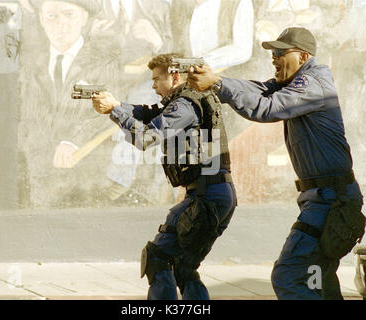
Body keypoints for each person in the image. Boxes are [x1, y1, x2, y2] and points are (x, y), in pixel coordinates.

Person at [188, 27, 364, 300]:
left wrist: (217, 84)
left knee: (290, 275)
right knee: (318, 278)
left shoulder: (312, 84)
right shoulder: (299, 81)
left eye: (281, 52)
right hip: (326, 198)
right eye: (273, 52)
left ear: (303, 56)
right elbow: (259, 89)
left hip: (331, 201)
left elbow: (267, 108)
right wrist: (215, 80)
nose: (274, 57)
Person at [92, 53, 237, 300]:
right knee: (183, 266)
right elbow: (147, 113)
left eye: (157, 79)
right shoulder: (185, 101)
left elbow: (146, 136)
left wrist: (116, 111)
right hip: (209, 195)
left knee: (158, 257)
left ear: (175, 76)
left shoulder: (184, 105)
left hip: (207, 197)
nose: (153, 85)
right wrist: (115, 105)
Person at [18, 0, 137, 208]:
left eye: (69, 15)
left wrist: (72, 141)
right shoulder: (30, 63)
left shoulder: (103, 62)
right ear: (41, 19)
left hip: (86, 175)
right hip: (39, 176)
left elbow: (107, 112)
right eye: (52, 16)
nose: (60, 24)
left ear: (83, 18)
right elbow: (28, 118)